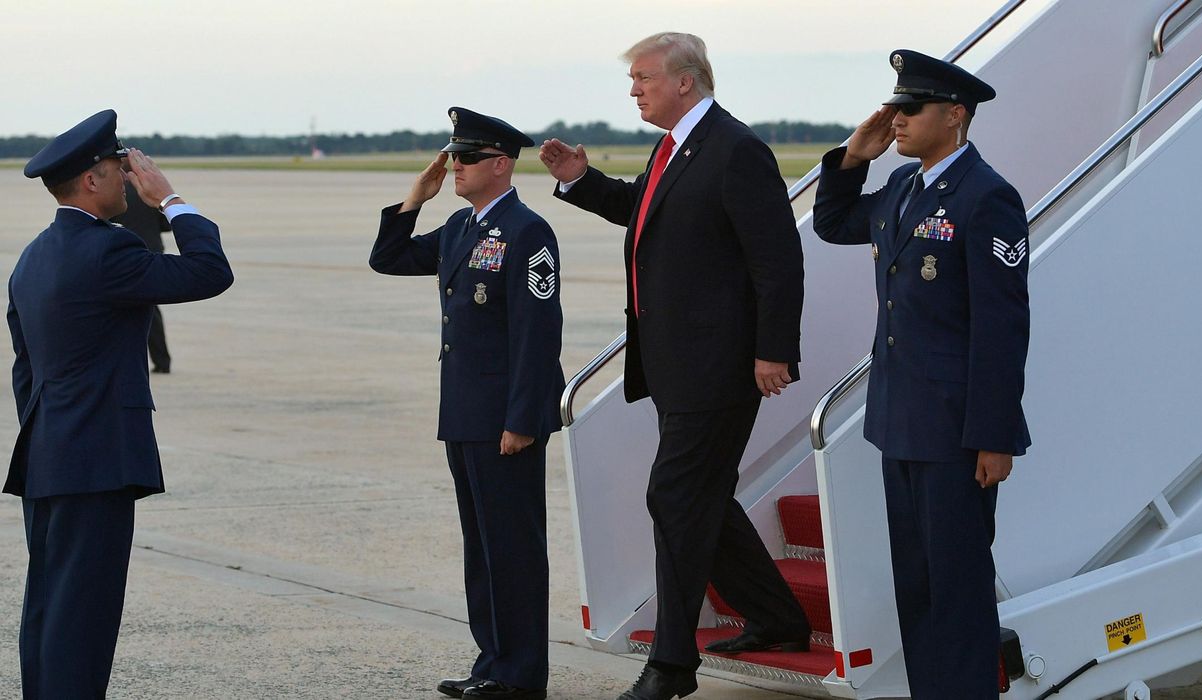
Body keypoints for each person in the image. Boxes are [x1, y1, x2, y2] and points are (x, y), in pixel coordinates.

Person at [539, 32, 808, 700]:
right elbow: (648, 211)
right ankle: (776, 619)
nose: (634, 89)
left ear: (684, 81)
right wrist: (580, 181)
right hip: (674, 362)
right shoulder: (674, 147)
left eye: (642, 78)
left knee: (677, 496)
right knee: (696, 496)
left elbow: (777, 259)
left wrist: (773, 349)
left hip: (719, 365)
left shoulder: (735, 148)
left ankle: (671, 664)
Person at [812, 50, 1031, 699]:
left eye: (910, 109)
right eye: (894, 108)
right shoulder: (904, 190)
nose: (897, 120)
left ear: (954, 115)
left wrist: (993, 434)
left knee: (957, 585)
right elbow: (831, 223)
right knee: (916, 583)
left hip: (956, 430)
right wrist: (853, 157)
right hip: (898, 421)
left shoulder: (986, 196)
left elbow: (1001, 325)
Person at [7, 109, 234, 698]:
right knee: (85, 609)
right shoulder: (106, 252)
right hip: (96, 458)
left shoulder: (34, 255)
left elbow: (25, 365)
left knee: (51, 605)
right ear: (90, 180)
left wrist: (52, 425)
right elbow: (210, 272)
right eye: (118, 171)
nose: (128, 182)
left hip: (49, 454)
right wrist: (172, 201)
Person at [369, 107, 563, 700]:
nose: (454, 166)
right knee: (481, 547)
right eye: (452, 156)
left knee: (512, 548)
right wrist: (414, 199)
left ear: (501, 165)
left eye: (467, 158)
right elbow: (389, 258)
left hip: (505, 419)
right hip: (464, 413)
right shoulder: (459, 226)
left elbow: (538, 333)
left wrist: (524, 419)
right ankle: (493, 664)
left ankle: (520, 674)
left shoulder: (529, 233)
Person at [112, 180, 173, 373]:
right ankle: (162, 361)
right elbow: (166, 224)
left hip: (123, 254)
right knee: (151, 310)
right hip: (152, 252)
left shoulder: (114, 191)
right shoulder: (148, 191)